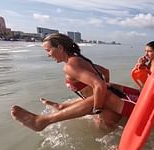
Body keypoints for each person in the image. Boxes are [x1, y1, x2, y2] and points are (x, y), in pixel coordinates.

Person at [10, 33, 139, 131]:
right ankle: (61, 107)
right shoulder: (79, 59)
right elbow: (105, 72)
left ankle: (44, 121)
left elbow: (99, 85)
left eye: (48, 50)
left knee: (101, 132)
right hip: (111, 101)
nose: (48, 55)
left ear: (60, 48)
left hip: (113, 104)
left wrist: (98, 110)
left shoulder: (71, 65)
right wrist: (105, 89)